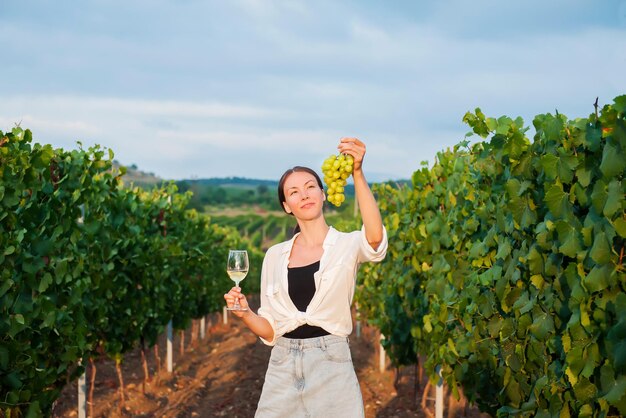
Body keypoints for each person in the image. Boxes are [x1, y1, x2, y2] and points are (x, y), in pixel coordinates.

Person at [223, 137, 388, 417]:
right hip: (282, 366)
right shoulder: (274, 256)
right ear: (287, 206)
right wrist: (246, 314)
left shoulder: (346, 245)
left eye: (311, 187)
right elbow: (272, 329)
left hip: (332, 364)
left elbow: (375, 239)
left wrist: (357, 173)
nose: (305, 195)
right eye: (295, 192)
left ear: (323, 194)